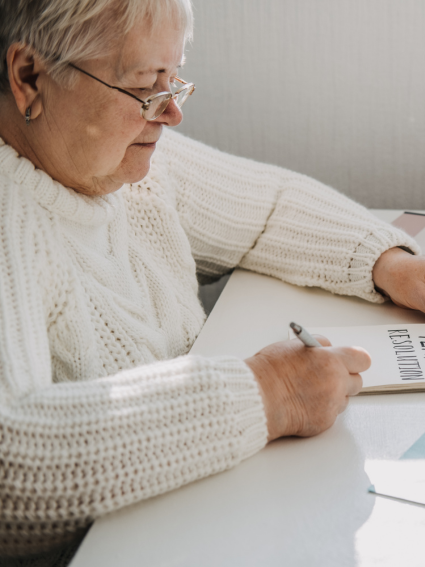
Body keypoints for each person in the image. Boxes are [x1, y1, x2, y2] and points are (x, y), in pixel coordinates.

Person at [0, 0, 424, 564]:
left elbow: (268, 209)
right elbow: (10, 469)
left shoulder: (115, 163)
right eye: (148, 87)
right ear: (29, 77)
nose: (173, 112)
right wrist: (270, 394)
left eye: (175, 79)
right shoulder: (14, 223)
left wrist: (395, 264)